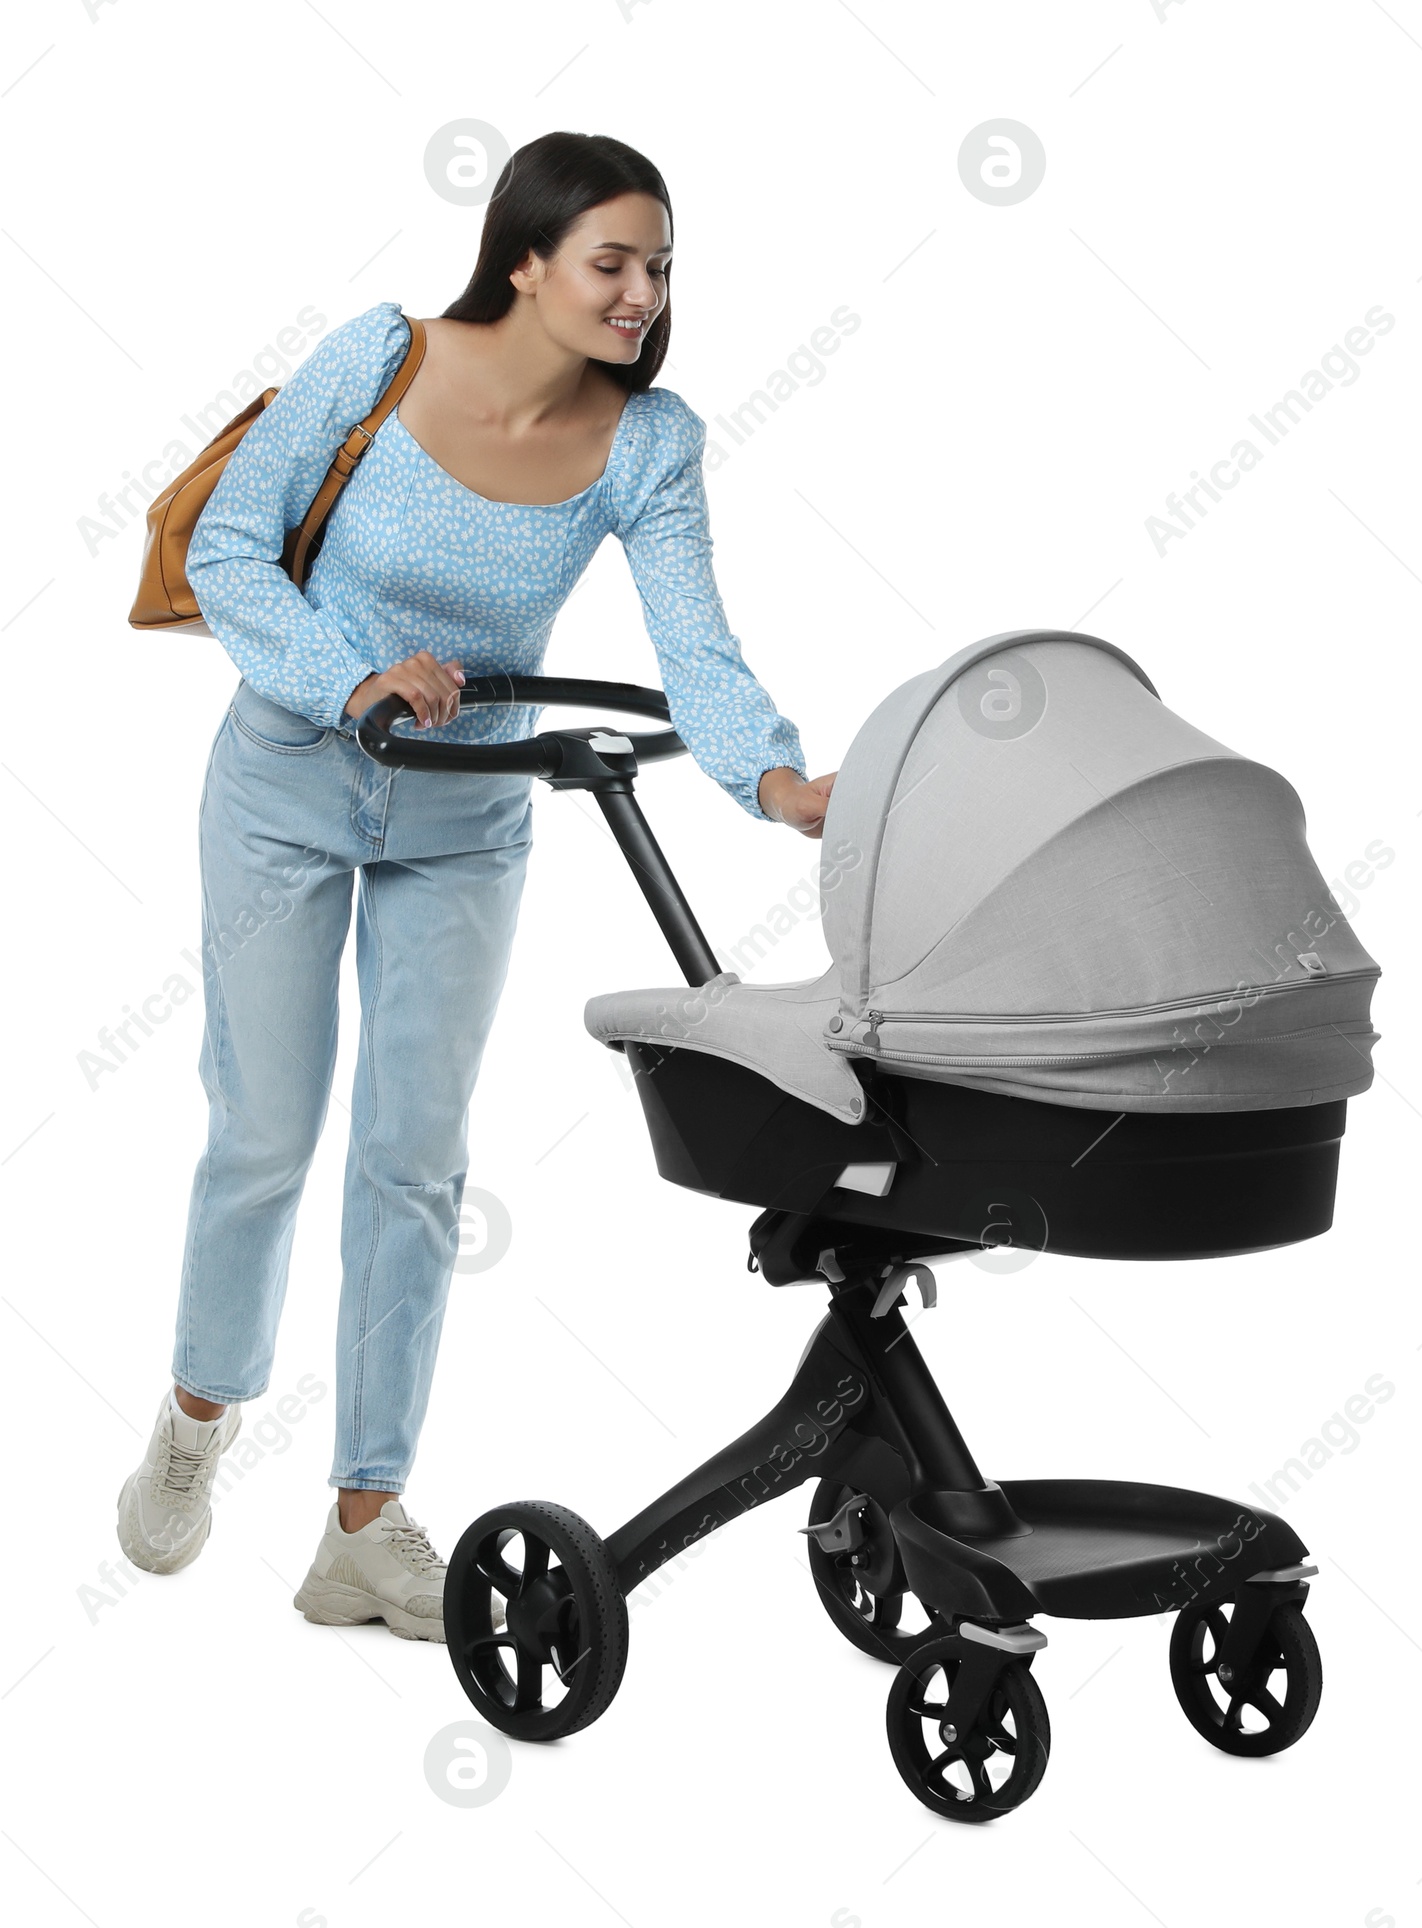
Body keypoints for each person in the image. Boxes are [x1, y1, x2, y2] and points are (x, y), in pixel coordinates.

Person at [116, 130, 836, 1638]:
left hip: (468, 820)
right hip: (287, 789)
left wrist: (774, 782)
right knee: (264, 1130)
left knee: (416, 1162)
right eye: (612, 262)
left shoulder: (650, 442)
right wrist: (352, 674)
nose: (642, 294)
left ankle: (363, 1525)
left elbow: (692, 644)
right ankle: (196, 1418)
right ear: (526, 258)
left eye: (659, 269)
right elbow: (238, 547)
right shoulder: (382, 357)